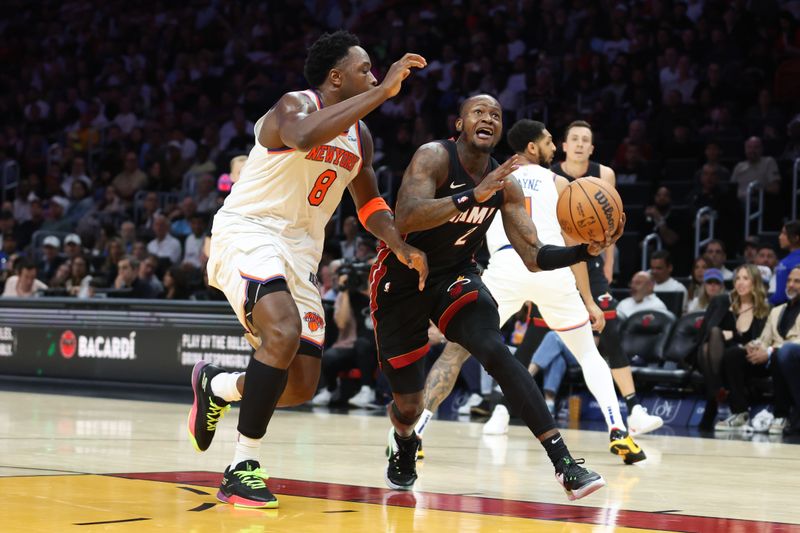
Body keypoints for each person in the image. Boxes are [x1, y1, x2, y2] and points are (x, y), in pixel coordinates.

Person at [185, 32, 429, 509]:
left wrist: (397, 242)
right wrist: (382, 95)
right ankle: (242, 467)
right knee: (282, 331)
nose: (374, 77)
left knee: (299, 385)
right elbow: (301, 137)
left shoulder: (360, 135)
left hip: (301, 251)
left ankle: (216, 385)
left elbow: (370, 202)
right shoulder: (292, 106)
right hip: (250, 231)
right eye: (365, 71)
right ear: (336, 77)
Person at [375, 99, 622, 500]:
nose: (488, 118)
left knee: (495, 349)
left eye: (496, 115)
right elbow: (406, 217)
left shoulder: (507, 183)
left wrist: (584, 252)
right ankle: (404, 439)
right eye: (479, 112)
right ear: (459, 123)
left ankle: (565, 464)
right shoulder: (434, 156)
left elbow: (534, 254)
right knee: (407, 403)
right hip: (402, 278)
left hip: (456, 275)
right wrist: (471, 196)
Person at [411, 119, 645, 470]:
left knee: (455, 353)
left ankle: (415, 434)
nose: (555, 148)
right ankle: (618, 430)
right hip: (548, 265)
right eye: (550, 142)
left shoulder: (493, 178)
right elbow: (573, 244)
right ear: (533, 147)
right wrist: (588, 298)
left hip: (505, 267)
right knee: (587, 352)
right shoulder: (561, 183)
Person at [549, 120, 663, 436]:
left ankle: (634, 408)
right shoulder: (551, 175)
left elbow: (611, 224)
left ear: (592, 148)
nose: (581, 144)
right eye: (575, 139)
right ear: (564, 145)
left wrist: (608, 264)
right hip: (556, 261)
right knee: (534, 332)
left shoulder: (604, 174)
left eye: (586, 139)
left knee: (609, 329)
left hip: (591, 261)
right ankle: (501, 407)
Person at [716, 266, 799, 433]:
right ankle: (740, 412)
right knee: (735, 354)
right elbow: (764, 339)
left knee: (779, 355)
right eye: (789, 280)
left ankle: (781, 415)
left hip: (793, 361)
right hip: (769, 358)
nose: (791, 284)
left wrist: (768, 351)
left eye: (797, 281)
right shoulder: (777, 311)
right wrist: (754, 347)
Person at [695, 265, 770, 429]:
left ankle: (714, 398)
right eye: (737, 278)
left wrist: (734, 337)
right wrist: (725, 335)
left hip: (747, 360)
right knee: (713, 338)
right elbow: (704, 334)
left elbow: (762, 340)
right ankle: (718, 391)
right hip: (715, 357)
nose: (740, 283)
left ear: (755, 282)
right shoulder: (722, 302)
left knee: (731, 353)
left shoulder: (764, 309)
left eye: (746, 278)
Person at [771, 221, 800, 306]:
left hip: (790, 309)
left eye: (784, 234)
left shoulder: (785, 263)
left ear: (796, 238)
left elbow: (780, 296)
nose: (780, 237)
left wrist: (766, 302)